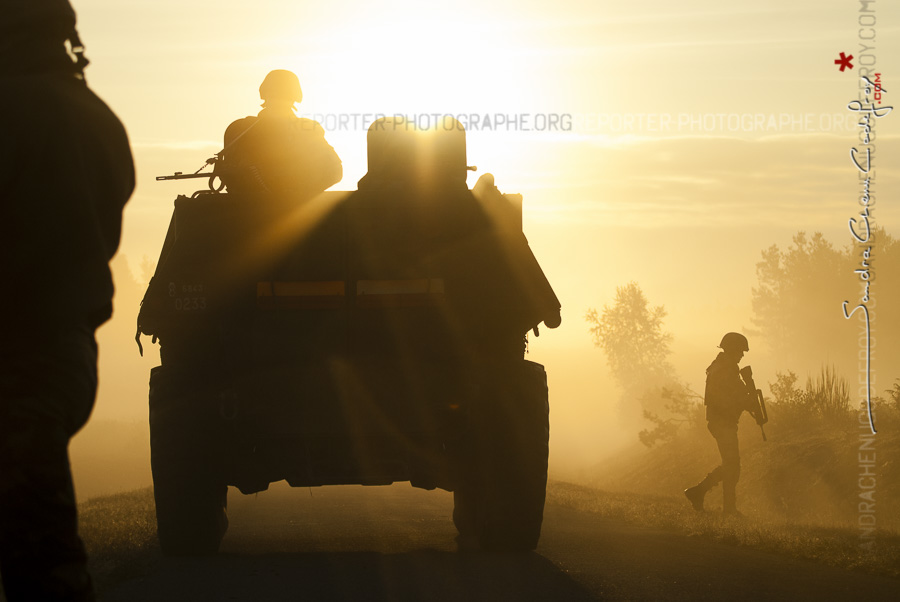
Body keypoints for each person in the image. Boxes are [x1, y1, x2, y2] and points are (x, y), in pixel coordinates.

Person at [0, 1, 134, 599]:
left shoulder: (15, 107)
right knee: (42, 553)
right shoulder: (96, 117)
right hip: (61, 354)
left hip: (18, 357)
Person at [218, 69, 342, 197]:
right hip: (253, 205)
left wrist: (300, 193)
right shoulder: (242, 129)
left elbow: (334, 171)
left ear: (264, 93)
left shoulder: (240, 128)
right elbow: (334, 172)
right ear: (296, 96)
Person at [684, 332, 753, 516]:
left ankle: (702, 494)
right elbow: (726, 399)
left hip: (722, 421)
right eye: (740, 351)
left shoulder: (722, 367)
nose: (742, 355)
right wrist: (745, 402)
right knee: (732, 465)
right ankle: (722, 505)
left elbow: (733, 396)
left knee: (731, 465)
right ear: (731, 350)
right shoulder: (725, 370)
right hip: (722, 422)